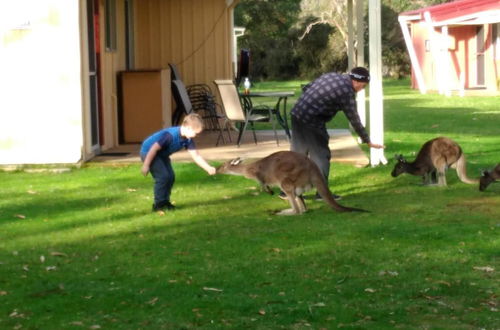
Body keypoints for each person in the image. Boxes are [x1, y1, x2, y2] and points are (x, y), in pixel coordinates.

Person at [282, 67, 385, 201]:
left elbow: (307, 87)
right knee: (321, 156)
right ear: (358, 82)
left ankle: (287, 191)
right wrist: (367, 140)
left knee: (297, 154)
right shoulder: (346, 92)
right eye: (363, 86)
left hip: (297, 113)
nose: (362, 89)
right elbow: (354, 119)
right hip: (313, 120)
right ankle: (322, 193)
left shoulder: (331, 76)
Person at [140, 114, 216, 212]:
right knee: (163, 177)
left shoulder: (188, 139)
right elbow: (153, 149)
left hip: (162, 155)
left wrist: (208, 168)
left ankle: (165, 202)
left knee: (170, 176)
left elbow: (196, 156)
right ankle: (158, 204)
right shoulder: (170, 135)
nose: (196, 136)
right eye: (195, 133)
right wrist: (146, 165)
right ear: (188, 128)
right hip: (148, 153)